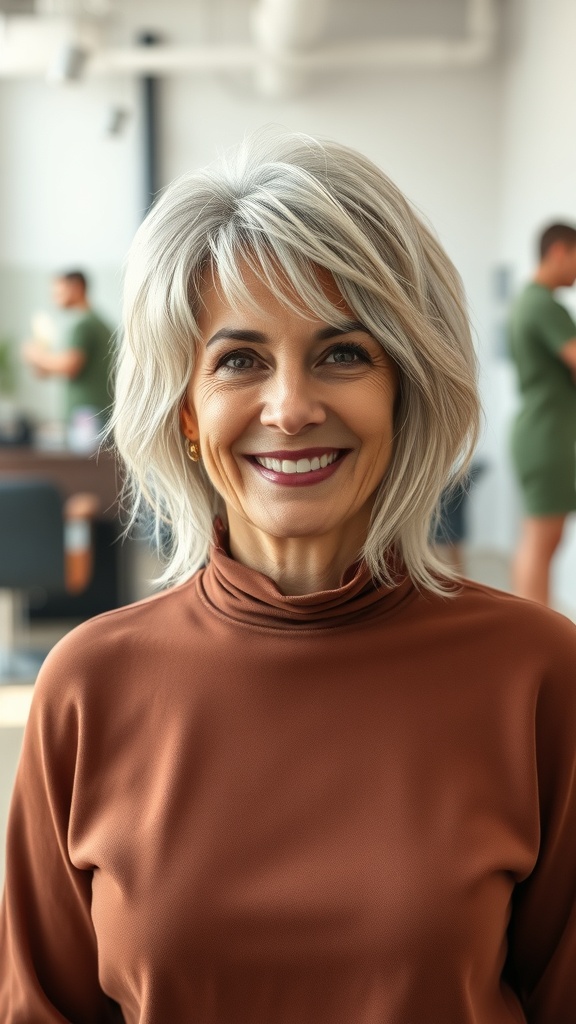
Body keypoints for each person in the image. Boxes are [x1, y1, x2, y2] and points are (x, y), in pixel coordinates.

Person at [1, 131, 576, 1024]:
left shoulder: (540, 672)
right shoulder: (88, 684)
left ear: (404, 388)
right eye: (239, 360)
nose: (292, 407)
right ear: (187, 412)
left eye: (343, 353)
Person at [508, 223, 576, 605]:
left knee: (540, 537)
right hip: (546, 437)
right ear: (559, 252)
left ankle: (528, 630)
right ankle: (535, 637)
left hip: (542, 434)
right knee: (542, 539)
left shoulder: (528, 300)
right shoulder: (543, 305)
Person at [22, 269, 114, 428]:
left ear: (76, 288)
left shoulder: (83, 325)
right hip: (98, 411)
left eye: (59, 291)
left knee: (85, 454)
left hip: (88, 415)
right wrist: (43, 363)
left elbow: (69, 366)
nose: (54, 297)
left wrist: (35, 355)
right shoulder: (99, 322)